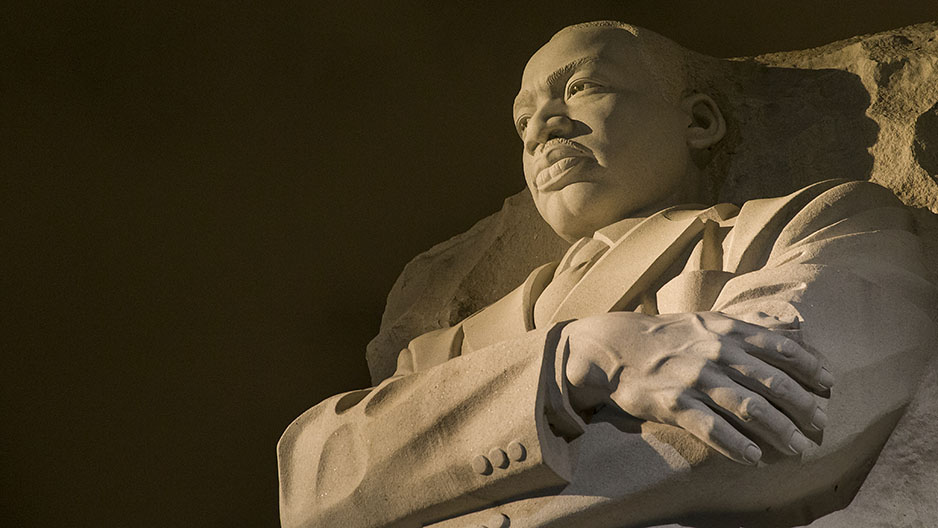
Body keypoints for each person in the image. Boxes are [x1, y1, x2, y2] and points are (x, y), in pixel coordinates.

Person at [277, 22, 937, 528]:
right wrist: (572, 356)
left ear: (699, 121)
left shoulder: (812, 223)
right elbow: (316, 486)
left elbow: (787, 418)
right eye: (523, 120)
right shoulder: (444, 349)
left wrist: (443, 497)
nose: (542, 128)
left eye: (580, 88)